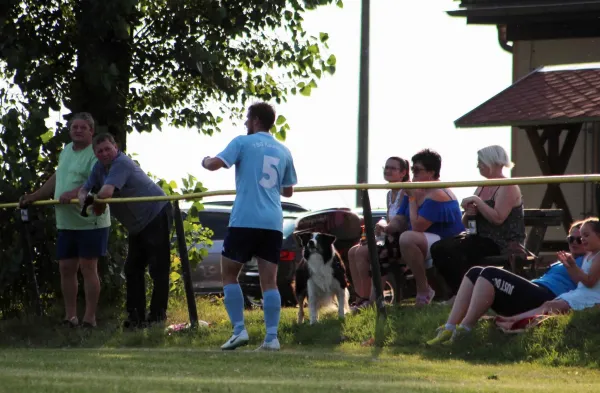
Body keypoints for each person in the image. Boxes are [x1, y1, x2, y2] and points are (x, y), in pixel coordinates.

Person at [201, 102, 297, 351]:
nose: (245, 123)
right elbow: (288, 191)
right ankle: (272, 338)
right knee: (270, 281)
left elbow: (214, 165)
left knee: (229, 274)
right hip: (273, 222)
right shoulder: (284, 150)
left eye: (247, 118)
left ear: (255, 119)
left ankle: (239, 330)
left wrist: (205, 160)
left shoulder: (243, 142)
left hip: (245, 219)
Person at [426, 220, 586, 345]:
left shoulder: (590, 261)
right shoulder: (565, 259)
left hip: (546, 296)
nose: (574, 242)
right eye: (571, 238)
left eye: (579, 239)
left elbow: (587, 283)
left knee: (490, 273)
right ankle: (449, 327)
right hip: (533, 290)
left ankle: (465, 330)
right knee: (474, 272)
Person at [19, 112, 110, 328]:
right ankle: (70, 317)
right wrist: (34, 196)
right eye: (74, 127)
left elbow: (98, 183)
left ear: (91, 130)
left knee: (89, 268)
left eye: (82, 127)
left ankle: (90, 319)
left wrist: (73, 193)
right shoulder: (66, 150)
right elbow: (57, 178)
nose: (77, 130)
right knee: (66, 269)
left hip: (90, 221)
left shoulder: (96, 154)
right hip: (66, 222)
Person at [78, 132, 173, 329]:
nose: (104, 153)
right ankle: (136, 317)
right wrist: (83, 199)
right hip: (137, 224)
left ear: (116, 147)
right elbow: (84, 190)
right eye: (99, 151)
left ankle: (157, 317)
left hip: (155, 213)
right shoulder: (98, 168)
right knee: (132, 269)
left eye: (107, 149)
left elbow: (105, 193)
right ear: (95, 154)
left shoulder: (121, 163)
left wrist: (91, 201)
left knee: (158, 268)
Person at [431, 145, 525, 299]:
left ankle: (462, 295)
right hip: (479, 238)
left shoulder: (507, 186)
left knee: (456, 251)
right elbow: (466, 223)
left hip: (501, 242)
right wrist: (469, 213)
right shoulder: (482, 186)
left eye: (480, 162)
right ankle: (457, 292)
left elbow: (498, 218)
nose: (478, 166)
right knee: (438, 248)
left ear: (492, 162)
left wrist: (476, 201)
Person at [378, 149, 464, 306]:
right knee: (364, 250)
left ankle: (423, 289)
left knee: (407, 238)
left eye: (417, 170)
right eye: (413, 169)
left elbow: (417, 226)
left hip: (447, 241)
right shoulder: (418, 189)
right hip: (427, 239)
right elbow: (401, 218)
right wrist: (385, 226)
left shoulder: (438, 193)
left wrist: (411, 197)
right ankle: (368, 300)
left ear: (431, 172)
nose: (413, 173)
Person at [494, 217, 600, 331]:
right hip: (580, 292)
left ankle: (514, 322)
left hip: (592, 297)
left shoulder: (598, 256)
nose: (582, 240)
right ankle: (514, 320)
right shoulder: (590, 255)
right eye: (582, 236)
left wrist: (574, 266)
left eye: (585, 236)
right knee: (548, 305)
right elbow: (578, 280)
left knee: (551, 307)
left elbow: (590, 282)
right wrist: (569, 266)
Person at [348, 156, 410, 311]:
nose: (388, 171)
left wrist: (386, 228)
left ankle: (369, 301)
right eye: (386, 167)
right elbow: (389, 219)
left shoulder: (406, 190)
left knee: (363, 251)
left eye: (393, 168)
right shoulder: (390, 193)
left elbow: (402, 221)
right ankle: (360, 298)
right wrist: (382, 225)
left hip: (403, 237)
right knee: (352, 251)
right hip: (390, 236)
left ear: (403, 173)